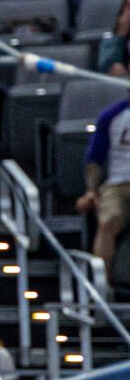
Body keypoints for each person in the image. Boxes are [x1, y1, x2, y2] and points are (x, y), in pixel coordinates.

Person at [79, 94, 130, 275]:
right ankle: (102, 285)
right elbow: (94, 159)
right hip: (118, 185)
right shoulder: (112, 115)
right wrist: (91, 191)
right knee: (108, 221)